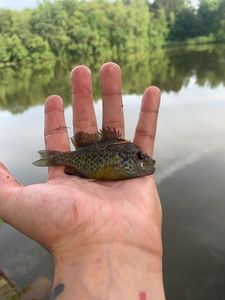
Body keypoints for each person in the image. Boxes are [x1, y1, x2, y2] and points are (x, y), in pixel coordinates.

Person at [0, 62, 165, 300]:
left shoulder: (127, 158)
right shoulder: (119, 155)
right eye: (140, 157)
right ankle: (53, 159)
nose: (146, 161)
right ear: (128, 158)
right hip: (83, 166)